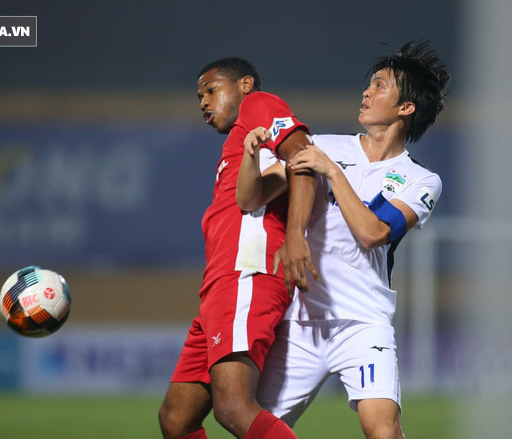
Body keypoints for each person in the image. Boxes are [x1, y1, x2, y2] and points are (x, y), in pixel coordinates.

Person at [236, 41, 450, 438]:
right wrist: (251, 157)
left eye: (380, 85)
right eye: (368, 85)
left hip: (363, 323)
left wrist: (333, 173)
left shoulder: (422, 180)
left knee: (383, 430)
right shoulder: (322, 144)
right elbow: (249, 198)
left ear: (406, 108)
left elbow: (373, 233)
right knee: (255, 427)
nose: (366, 92)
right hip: (301, 321)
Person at [158, 57, 316, 439]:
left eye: (211, 90)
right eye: (199, 97)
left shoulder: (258, 104)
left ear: (245, 84)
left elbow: (303, 155)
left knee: (233, 407)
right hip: (220, 286)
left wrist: (295, 234)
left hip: (246, 273)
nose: (203, 103)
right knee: (176, 420)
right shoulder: (242, 144)